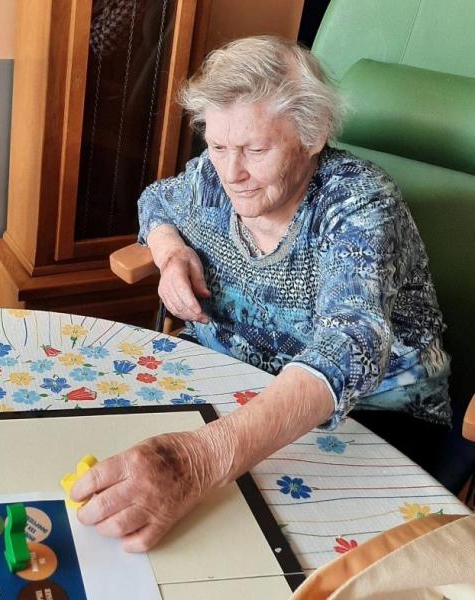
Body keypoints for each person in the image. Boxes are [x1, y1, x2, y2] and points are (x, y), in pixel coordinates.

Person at [71, 36, 451, 552]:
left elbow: (353, 343)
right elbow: (156, 200)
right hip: (232, 390)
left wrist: (198, 460)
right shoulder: (211, 176)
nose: (232, 174)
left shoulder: (359, 203)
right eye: (219, 145)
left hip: (370, 422)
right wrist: (169, 252)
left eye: (254, 149)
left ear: (311, 136)